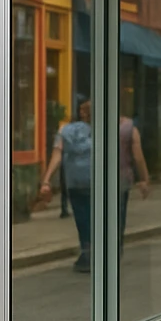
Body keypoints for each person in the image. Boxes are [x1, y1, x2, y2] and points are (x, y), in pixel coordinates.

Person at [38, 98, 151, 272]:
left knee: (84, 220)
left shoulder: (66, 130)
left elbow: (57, 155)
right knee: (114, 219)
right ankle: (111, 254)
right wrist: (143, 179)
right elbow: (137, 157)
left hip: (77, 182)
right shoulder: (125, 127)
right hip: (114, 183)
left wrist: (46, 181)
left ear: (83, 113)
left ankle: (88, 254)